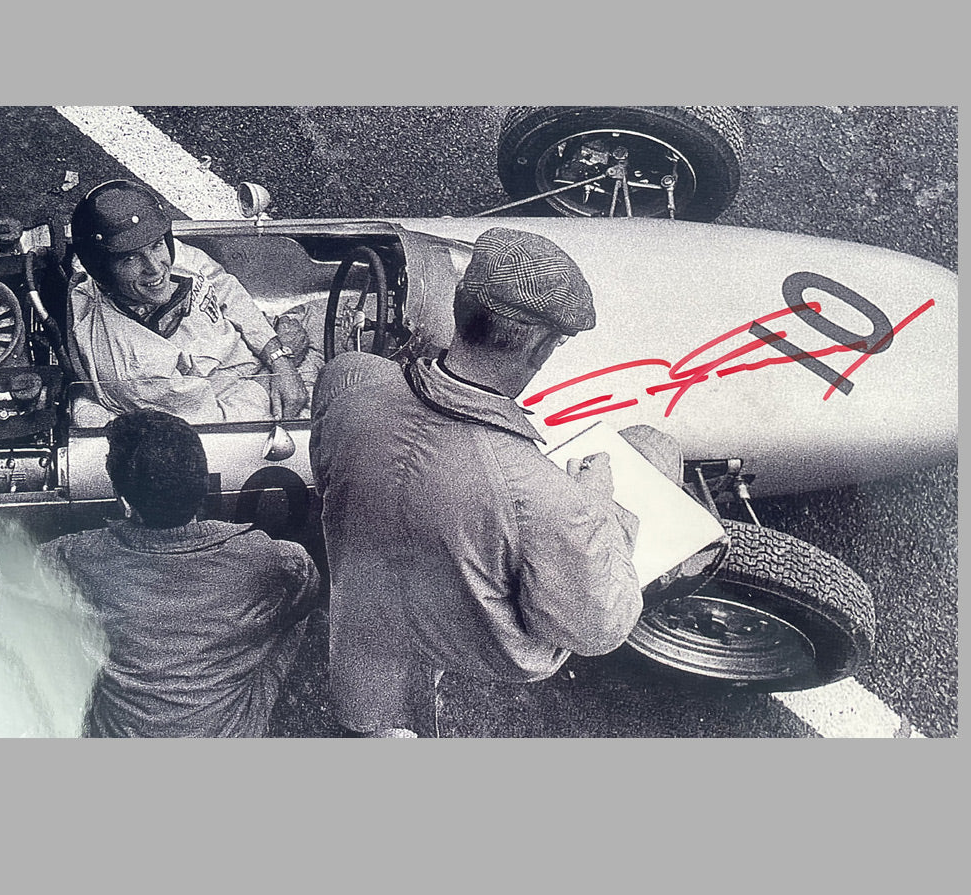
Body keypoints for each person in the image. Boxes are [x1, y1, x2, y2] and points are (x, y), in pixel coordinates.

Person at [310, 226, 651, 737]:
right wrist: (598, 507)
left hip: (360, 621)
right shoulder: (547, 497)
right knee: (651, 452)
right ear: (540, 349)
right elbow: (597, 628)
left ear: (459, 307)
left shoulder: (348, 379)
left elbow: (326, 474)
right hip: (481, 650)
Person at [38, 409, 322, 737]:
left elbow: (20, 583)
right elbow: (306, 595)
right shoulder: (276, 561)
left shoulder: (72, 556)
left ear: (121, 497)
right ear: (204, 485)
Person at [68, 179, 309, 423]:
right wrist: (284, 369)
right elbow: (219, 423)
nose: (155, 267)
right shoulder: (138, 369)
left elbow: (223, 286)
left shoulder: (164, 252)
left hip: (274, 346)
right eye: (130, 259)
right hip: (264, 401)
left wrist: (276, 353)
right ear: (102, 271)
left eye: (156, 245)